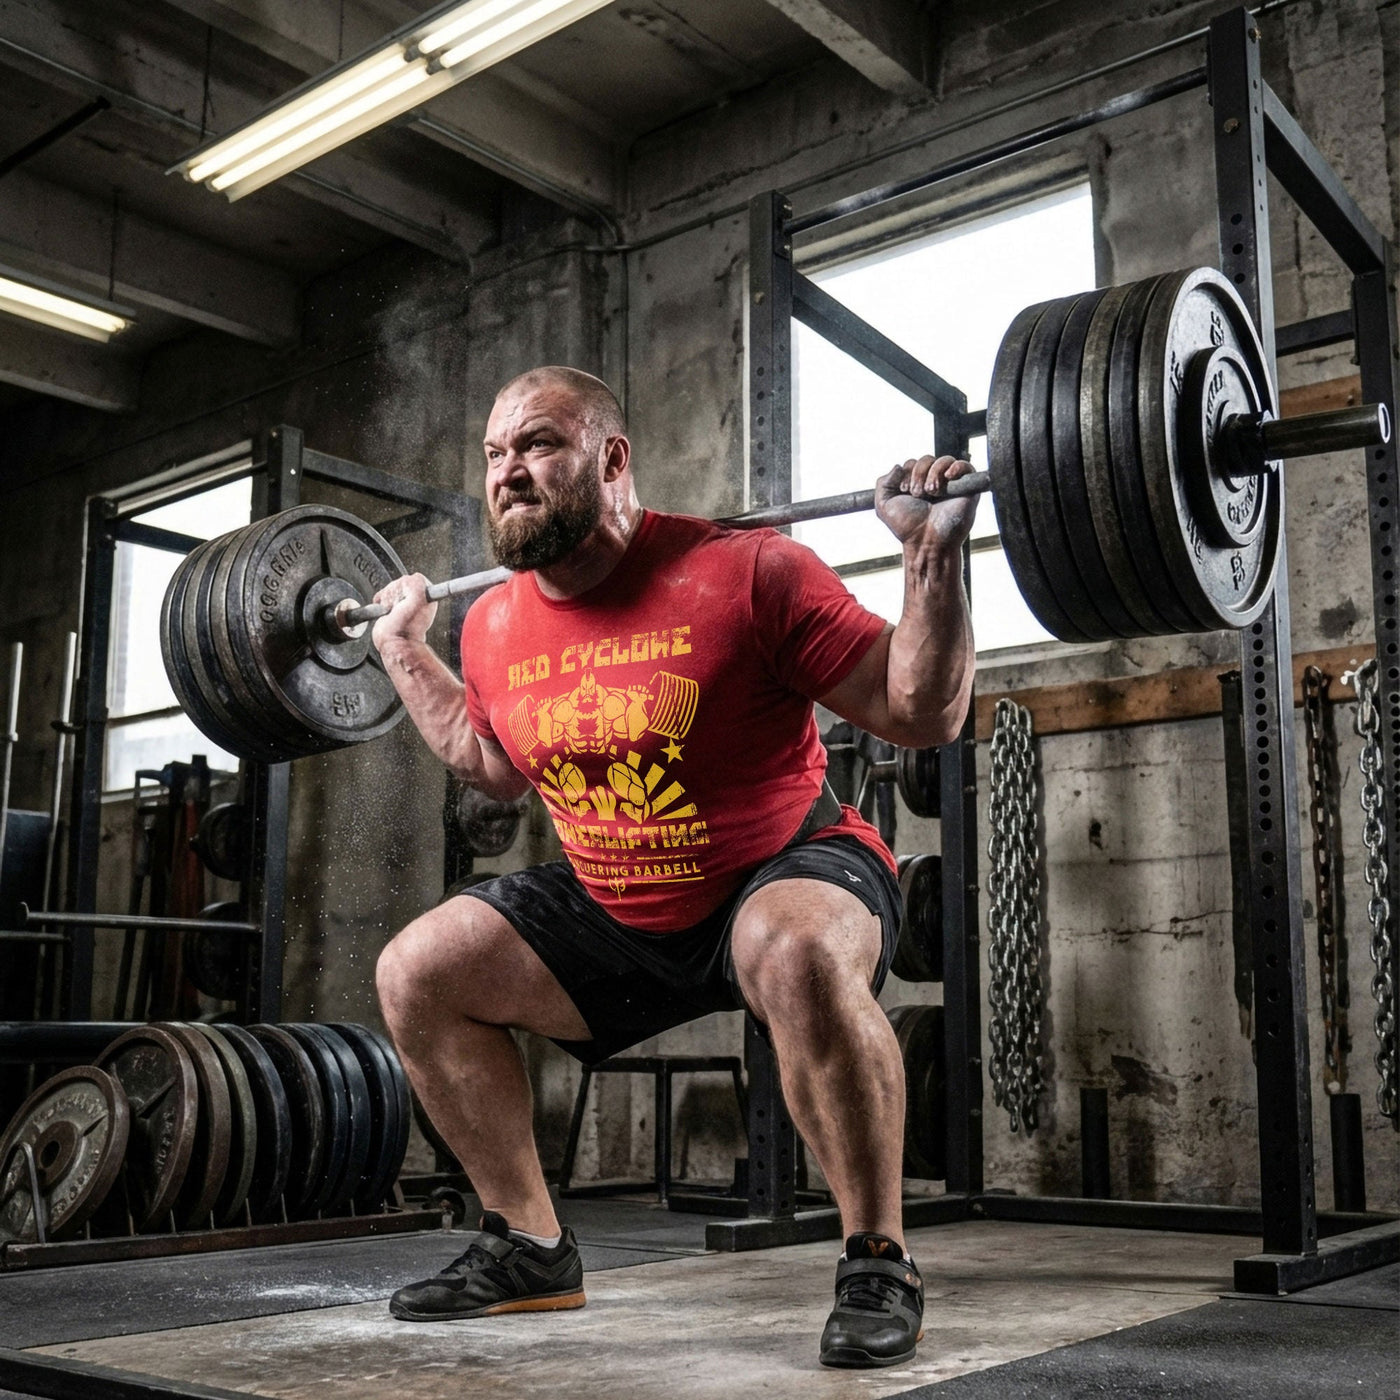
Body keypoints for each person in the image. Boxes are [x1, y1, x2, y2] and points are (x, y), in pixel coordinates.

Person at [371, 365, 976, 1369]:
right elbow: (493, 766)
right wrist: (402, 648)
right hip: (613, 895)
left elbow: (921, 713)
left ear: (611, 459)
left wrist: (928, 556)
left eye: (537, 445)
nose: (508, 472)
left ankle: (876, 1255)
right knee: (417, 971)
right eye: (494, 454)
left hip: (779, 861)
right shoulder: (490, 623)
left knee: (790, 950)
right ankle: (527, 1245)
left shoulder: (750, 571)